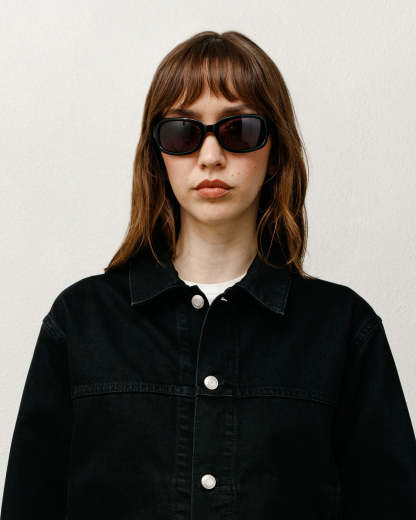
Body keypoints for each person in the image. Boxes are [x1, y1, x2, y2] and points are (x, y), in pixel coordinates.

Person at [1, 30, 415, 520]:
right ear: (158, 155)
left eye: (240, 130)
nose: (211, 156)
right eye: (183, 132)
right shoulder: (80, 323)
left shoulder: (342, 330)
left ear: (275, 150)